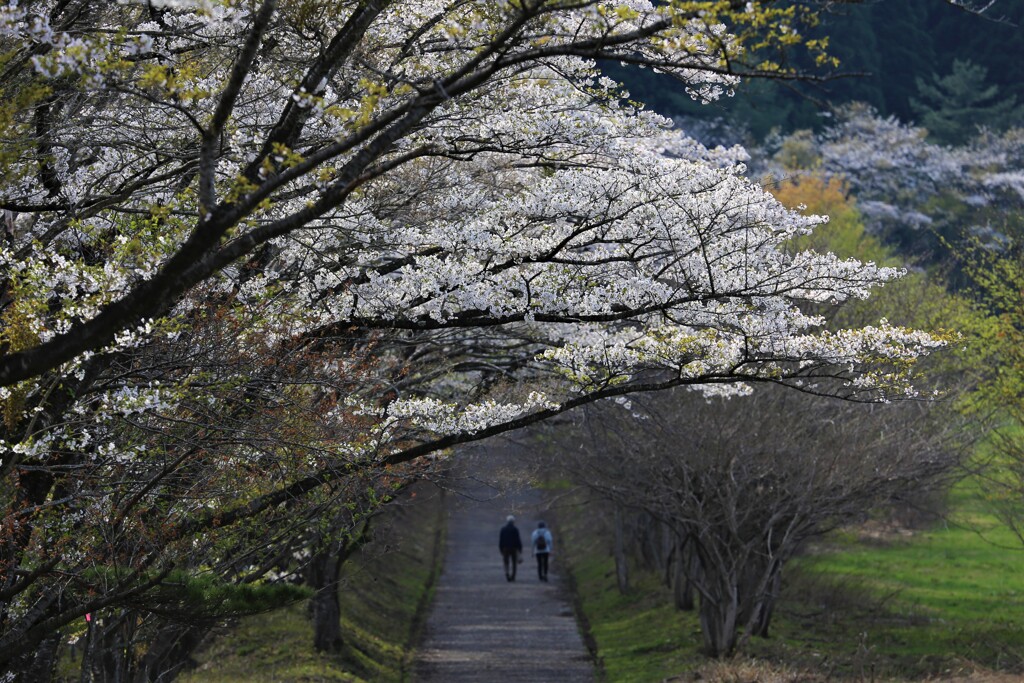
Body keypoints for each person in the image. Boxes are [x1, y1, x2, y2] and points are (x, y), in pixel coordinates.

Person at [498, 515, 523, 581]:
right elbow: (518, 539)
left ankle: (507, 573)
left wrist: (501, 549)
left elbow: (501, 540)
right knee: (514, 562)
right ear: (513, 521)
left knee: (506, 562)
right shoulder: (515, 529)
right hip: (514, 548)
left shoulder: (503, 529)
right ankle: (513, 576)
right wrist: (520, 549)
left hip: (505, 548)